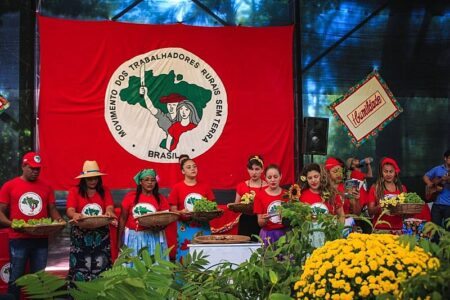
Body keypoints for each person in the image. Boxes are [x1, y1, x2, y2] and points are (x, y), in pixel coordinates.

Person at [0, 152, 63, 299]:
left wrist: (59, 221)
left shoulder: (47, 187)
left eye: (38, 169)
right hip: (18, 239)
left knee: (40, 278)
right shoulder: (9, 186)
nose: (35, 171)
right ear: (23, 166)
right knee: (16, 277)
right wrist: (12, 224)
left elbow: (53, 210)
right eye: (32, 168)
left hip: (40, 238)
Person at [66, 160, 116, 284]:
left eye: (95, 178)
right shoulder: (74, 191)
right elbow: (70, 210)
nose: (93, 181)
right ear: (83, 180)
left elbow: (109, 206)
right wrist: (75, 214)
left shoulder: (104, 190)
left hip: (101, 235)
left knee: (101, 265)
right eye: (89, 179)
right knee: (80, 265)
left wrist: (109, 211)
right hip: (81, 235)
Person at [169, 158, 215, 261]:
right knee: (185, 255)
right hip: (185, 228)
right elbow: (173, 211)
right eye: (188, 167)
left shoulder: (205, 187)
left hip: (203, 227)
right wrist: (181, 212)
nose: (193, 169)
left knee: (205, 255)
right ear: (183, 171)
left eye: (194, 166)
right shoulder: (177, 188)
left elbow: (212, 207)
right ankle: (182, 277)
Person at [367, 157, 430, 234]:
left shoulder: (402, 188)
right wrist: (382, 205)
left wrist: (408, 210)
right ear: (381, 173)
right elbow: (370, 211)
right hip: (380, 229)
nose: (388, 174)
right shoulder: (375, 188)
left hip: (399, 229)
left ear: (395, 172)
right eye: (385, 171)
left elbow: (405, 214)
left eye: (391, 171)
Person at [118, 169, 169, 261]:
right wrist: (119, 240)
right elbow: (122, 219)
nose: (150, 182)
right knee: (134, 266)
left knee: (153, 266)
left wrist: (160, 227)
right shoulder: (130, 197)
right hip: (134, 238)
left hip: (154, 237)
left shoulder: (161, 199)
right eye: (146, 180)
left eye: (153, 180)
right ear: (140, 182)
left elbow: (165, 219)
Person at [235, 155, 268, 241]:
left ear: (262, 169)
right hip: (245, 221)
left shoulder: (268, 186)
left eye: (257, 169)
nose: (254, 172)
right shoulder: (241, 186)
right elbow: (236, 205)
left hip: (262, 221)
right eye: (251, 169)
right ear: (247, 170)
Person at [253, 164, 288, 246]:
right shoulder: (259, 196)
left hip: (284, 233)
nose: (273, 180)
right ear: (265, 178)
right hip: (267, 235)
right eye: (269, 177)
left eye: (275, 177)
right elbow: (260, 223)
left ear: (280, 176)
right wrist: (265, 220)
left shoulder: (287, 195)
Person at [423, 149, 450, 231]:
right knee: (434, 229)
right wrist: (430, 184)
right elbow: (425, 176)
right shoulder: (438, 169)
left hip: (449, 205)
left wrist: (447, 180)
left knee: (448, 230)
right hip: (436, 203)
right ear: (445, 158)